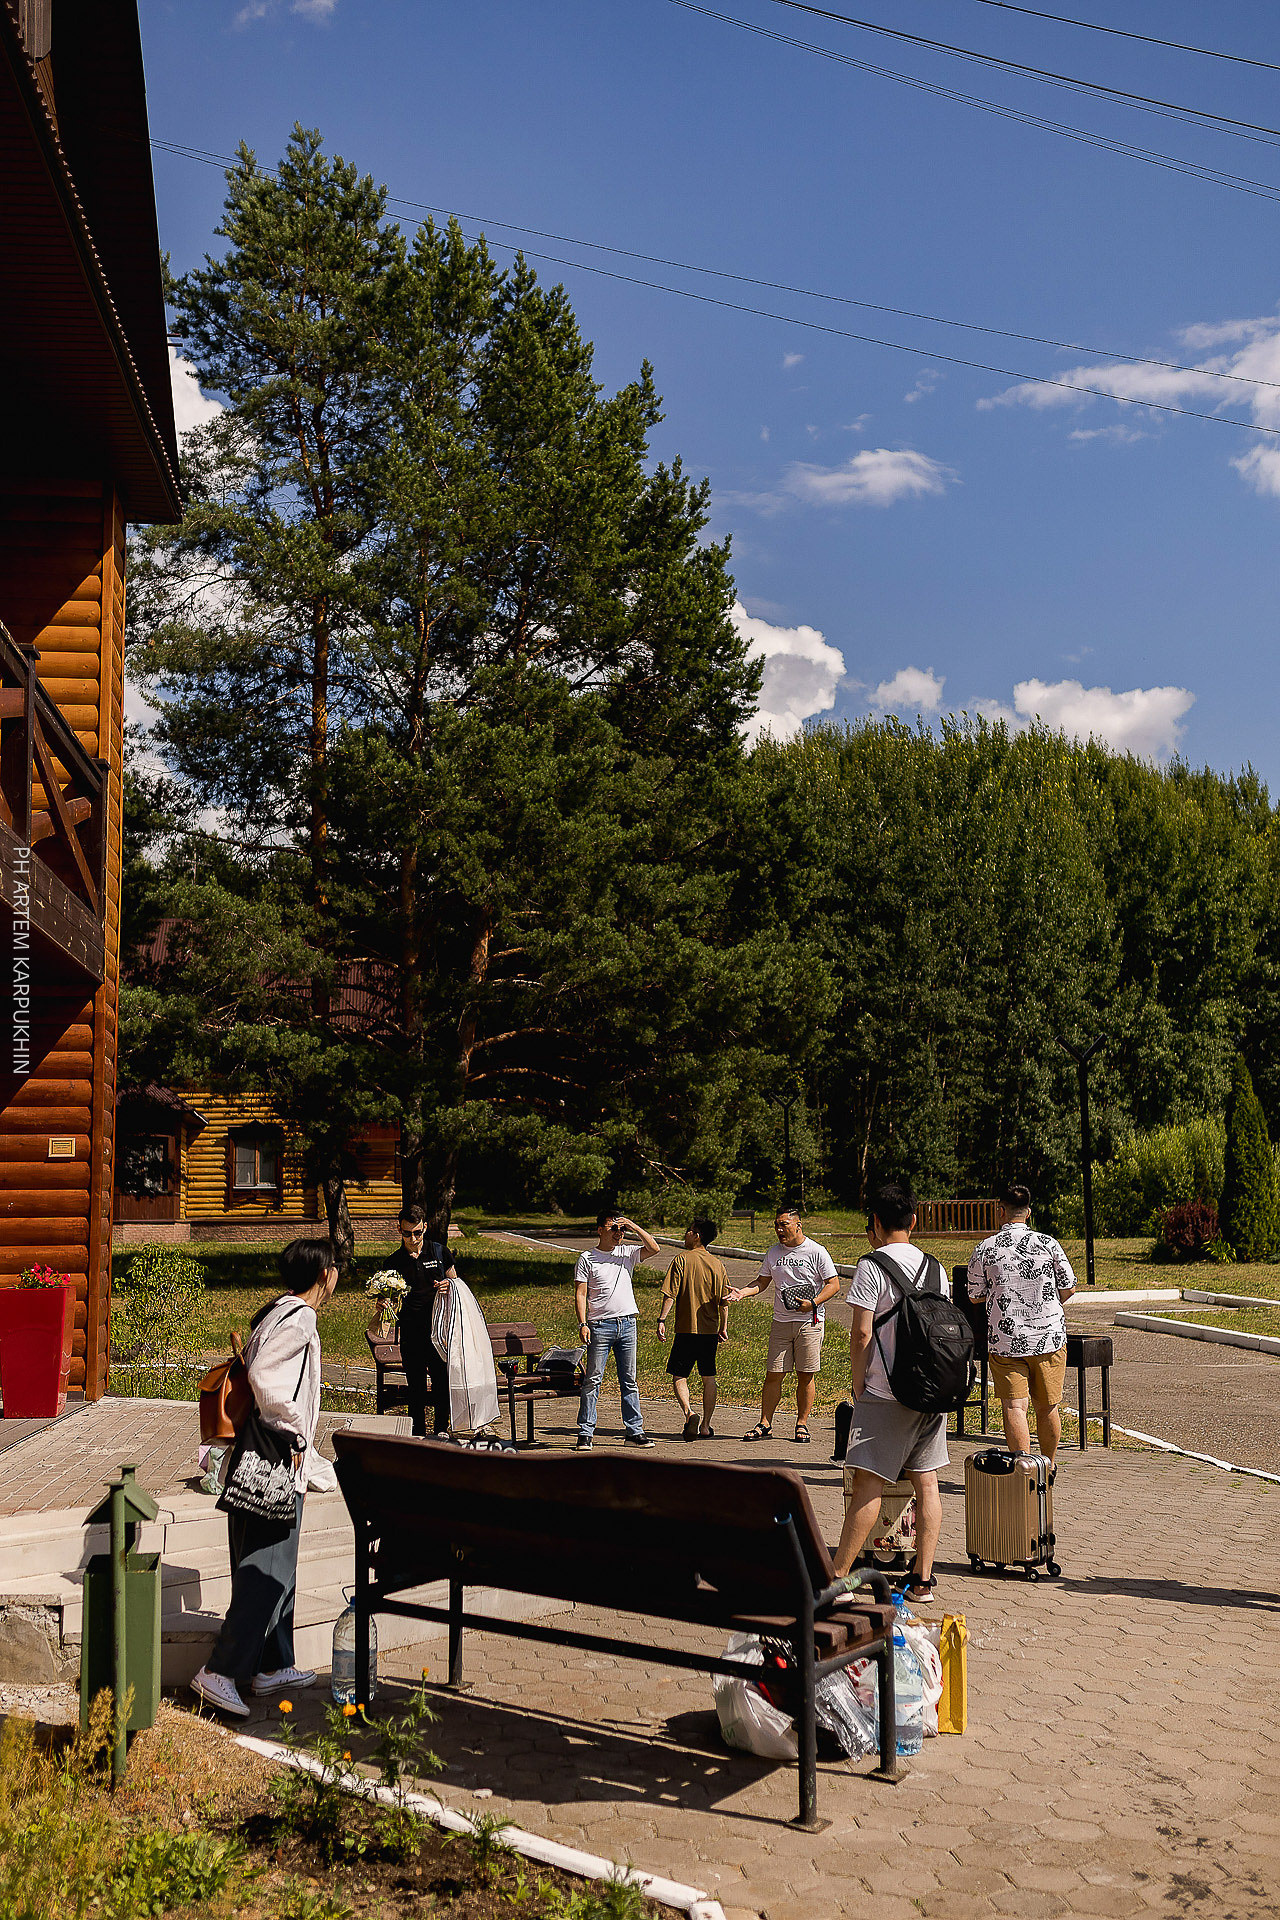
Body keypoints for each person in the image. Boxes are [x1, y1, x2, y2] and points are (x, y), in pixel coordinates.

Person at [191, 1236, 339, 1718]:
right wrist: (296, 1433)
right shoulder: (301, 1318)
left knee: (278, 1565)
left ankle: (272, 1664)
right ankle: (219, 1672)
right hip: (276, 1455)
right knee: (266, 1570)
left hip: (256, 1454)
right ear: (324, 1275)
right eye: (334, 1267)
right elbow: (268, 1380)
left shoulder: (275, 1311)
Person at [832, 1184, 948, 1603]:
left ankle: (838, 1579)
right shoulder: (936, 1268)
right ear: (913, 1221)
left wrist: (859, 1383)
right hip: (931, 1391)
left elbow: (861, 1332)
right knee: (927, 1483)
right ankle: (922, 1581)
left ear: (876, 1223)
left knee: (868, 1485)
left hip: (885, 1393)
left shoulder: (871, 1266)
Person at [966, 1182, 1076, 1467]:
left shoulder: (985, 1248)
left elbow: (974, 1295)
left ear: (1000, 1211)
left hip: (1005, 1340)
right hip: (1049, 1339)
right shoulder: (1049, 1244)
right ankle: (1047, 1468)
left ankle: (1024, 1471)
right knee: (1047, 1406)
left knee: (1014, 1406)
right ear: (1028, 1212)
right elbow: (1068, 1288)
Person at [728, 1206, 839, 1445]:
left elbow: (833, 1284)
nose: (779, 1230)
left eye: (784, 1225)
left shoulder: (816, 1251)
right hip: (781, 1322)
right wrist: (742, 1292)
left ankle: (802, 1424)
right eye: (776, 1225)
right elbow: (762, 1282)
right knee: (774, 1374)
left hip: (809, 1322)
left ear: (798, 1225)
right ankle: (765, 1423)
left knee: (805, 1375)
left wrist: (813, 1303)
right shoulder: (773, 1253)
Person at [575, 1209, 662, 1451]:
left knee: (629, 1380)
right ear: (599, 1230)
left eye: (621, 1229)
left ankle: (634, 1431)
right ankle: (585, 1432)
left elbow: (654, 1248)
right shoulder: (587, 1258)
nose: (619, 1233)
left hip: (627, 1324)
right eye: (614, 1228)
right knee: (593, 1380)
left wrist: (633, 1225)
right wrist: (583, 1323)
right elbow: (580, 1294)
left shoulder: (627, 1253)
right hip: (599, 1325)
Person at [656, 1215, 729, 1439]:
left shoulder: (681, 1259)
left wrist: (661, 1320)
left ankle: (689, 1413)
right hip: (709, 1331)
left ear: (697, 1236)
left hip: (686, 1329)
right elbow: (724, 1302)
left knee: (679, 1375)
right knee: (709, 1377)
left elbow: (670, 1294)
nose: (686, 1234)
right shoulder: (717, 1265)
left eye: (689, 1230)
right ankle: (706, 1425)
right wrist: (723, 1327)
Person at [390, 1204, 459, 1438]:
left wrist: (450, 1285)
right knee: (415, 1384)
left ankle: (441, 1428)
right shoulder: (393, 1261)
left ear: (425, 1228)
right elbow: (387, 1299)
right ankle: (417, 1432)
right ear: (399, 1229)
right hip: (411, 1332)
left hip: (438, 1330)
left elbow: (457, 1285)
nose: (413, 1239)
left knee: (441, 1380)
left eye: (417, 1233)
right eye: (407, 1233)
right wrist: (383, 1303)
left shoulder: (439, 1252)